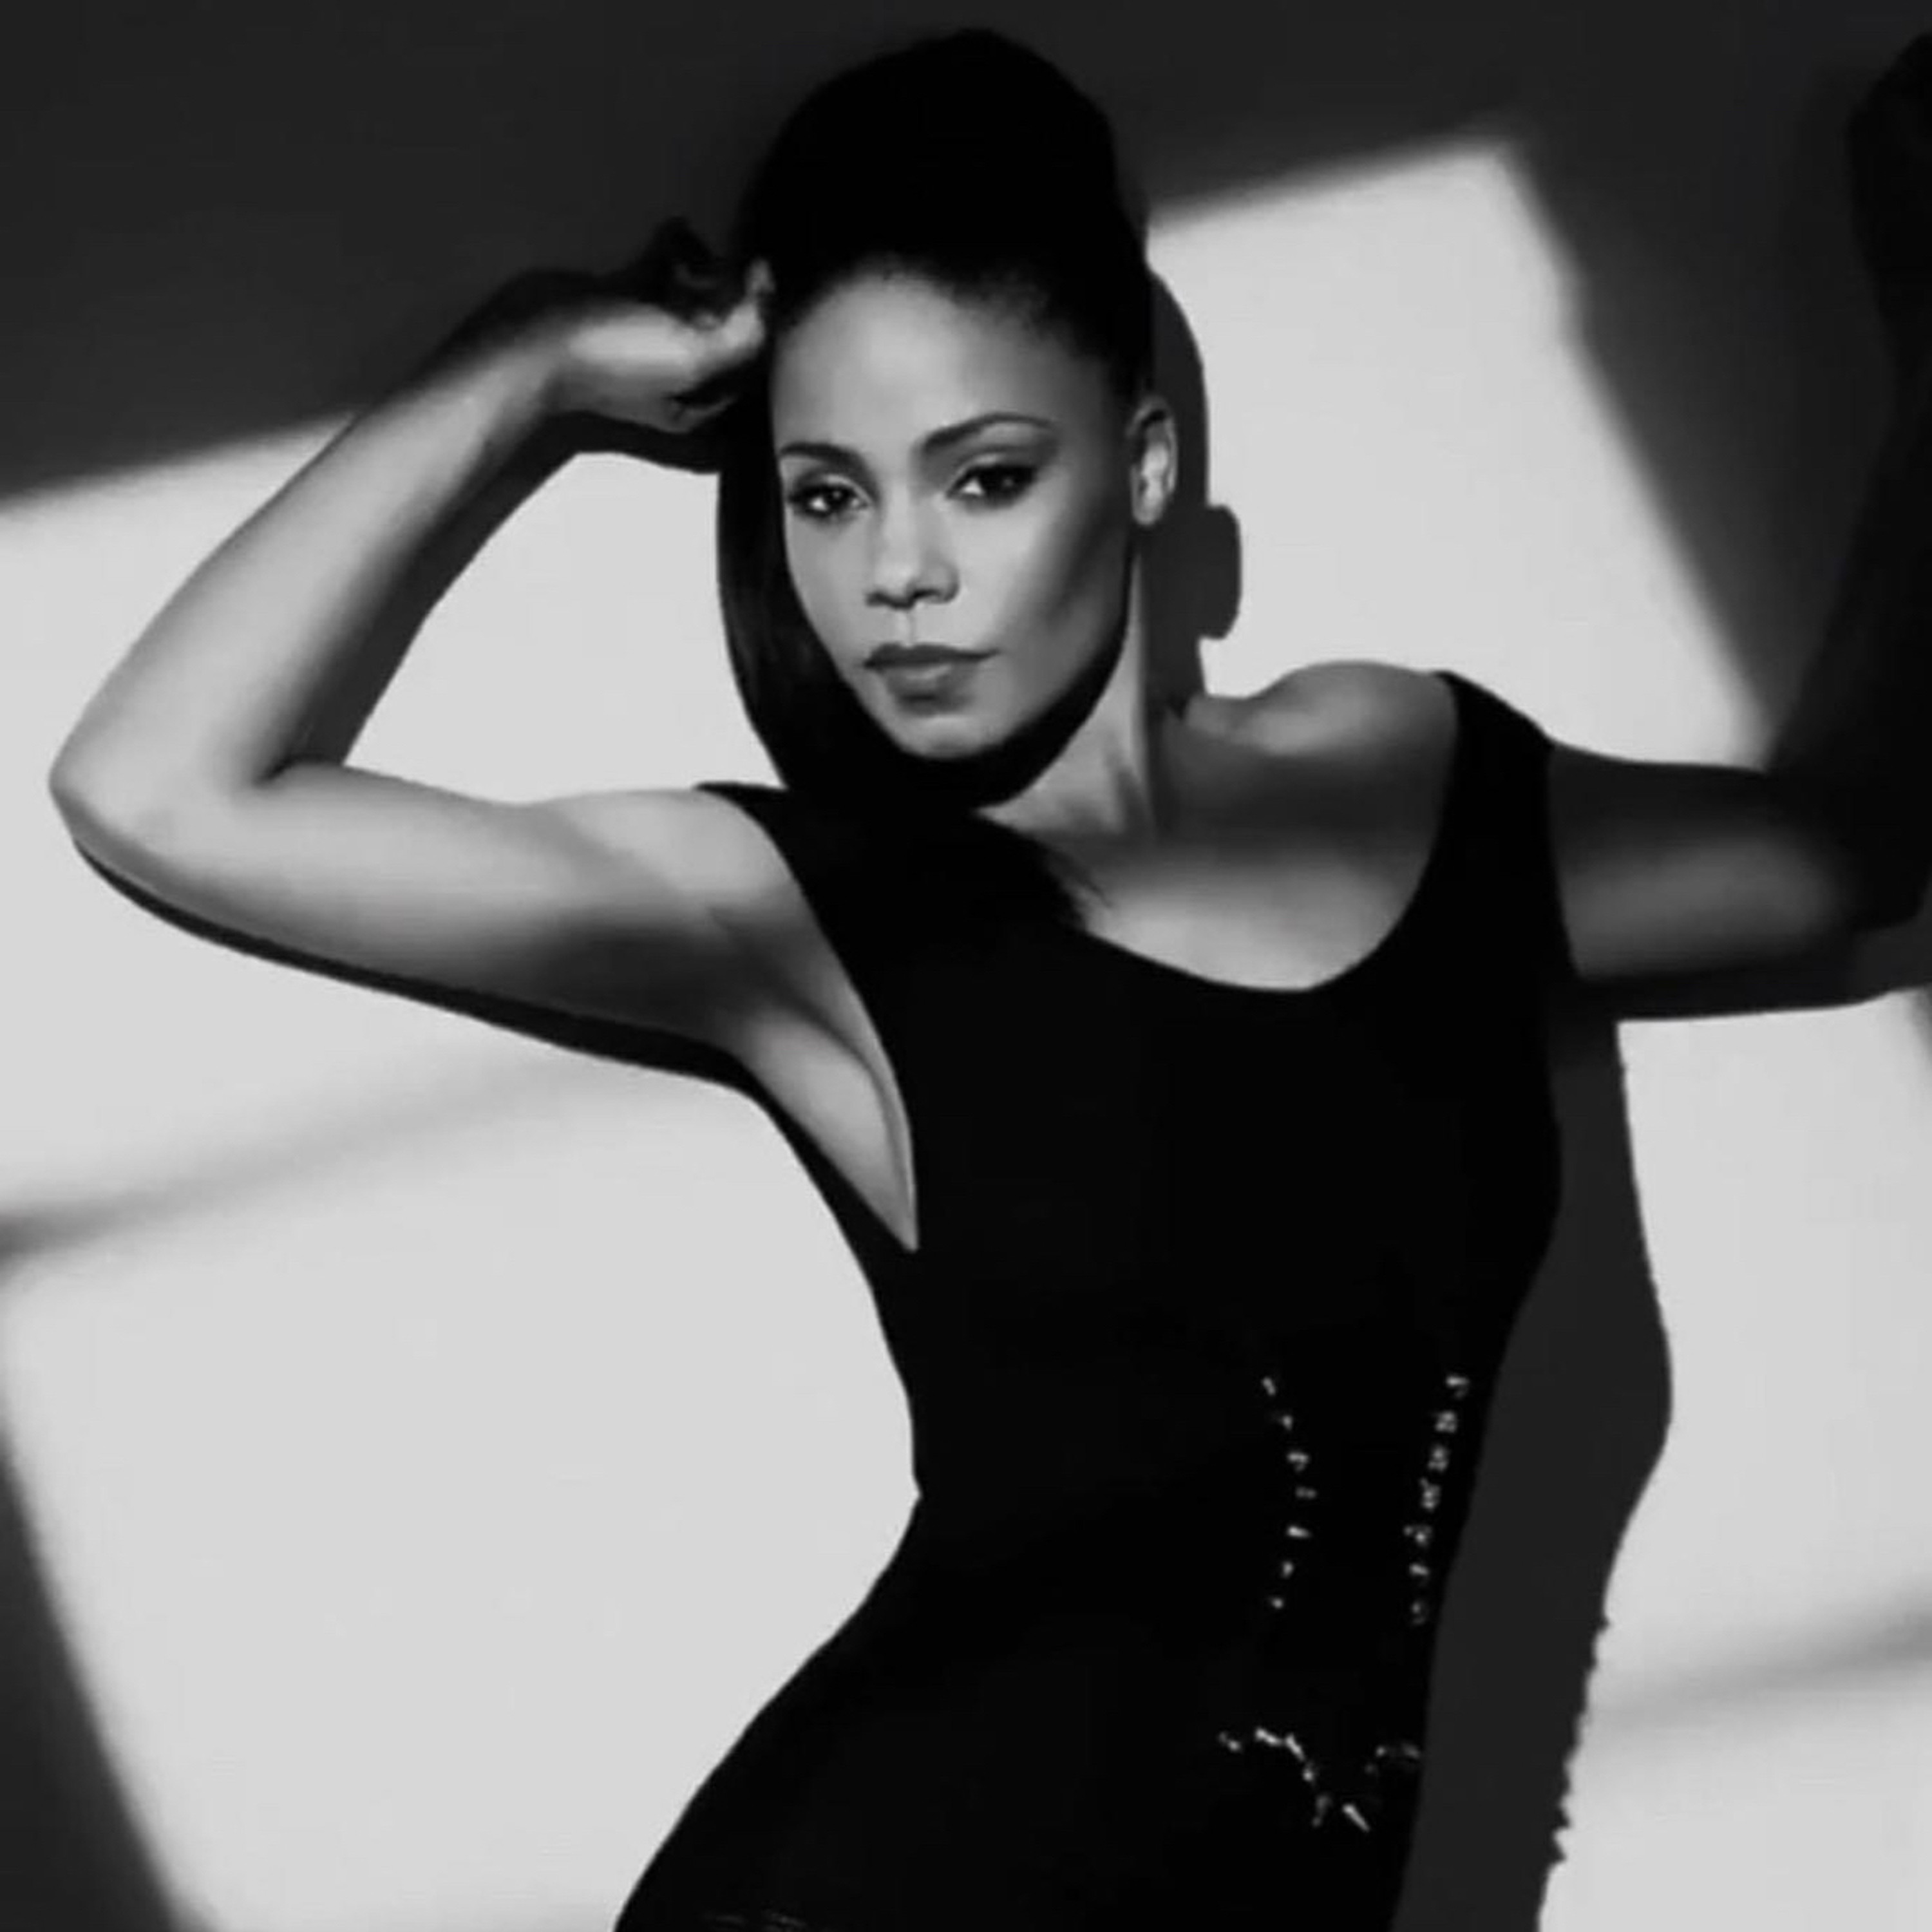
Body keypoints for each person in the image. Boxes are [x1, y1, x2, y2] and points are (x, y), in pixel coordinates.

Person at [44, 24, 1932, 1932]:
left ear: (1145, 460)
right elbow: (158, 787)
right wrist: (528, 362)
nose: (900, 575)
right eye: (829, 494)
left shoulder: (1404, 778)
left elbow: (1848, 850)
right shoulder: (806, 914)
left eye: (985, 476)